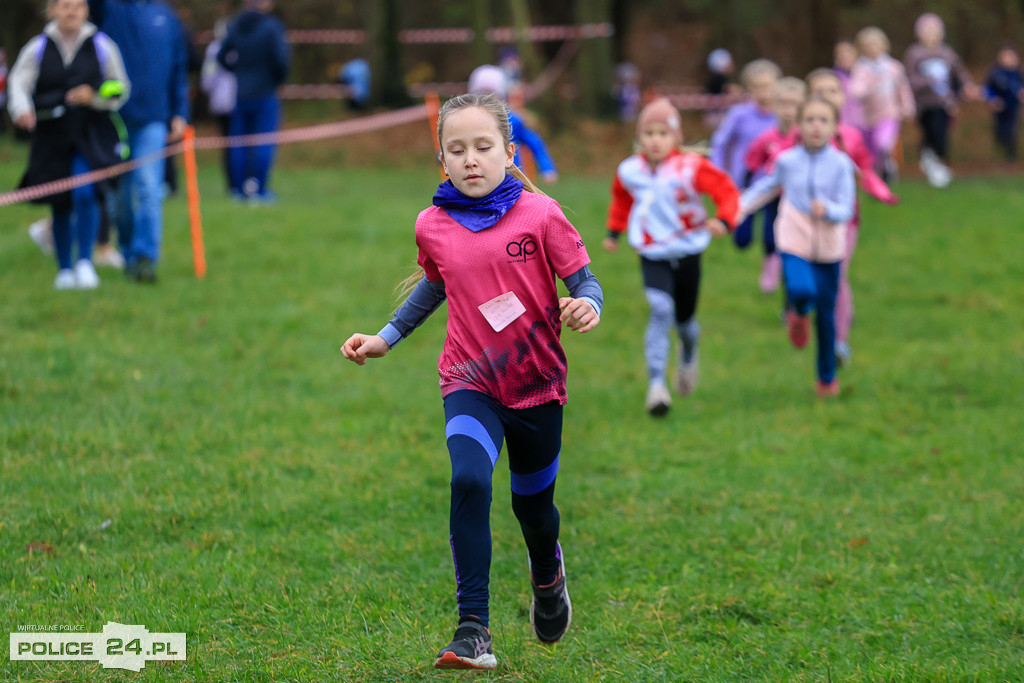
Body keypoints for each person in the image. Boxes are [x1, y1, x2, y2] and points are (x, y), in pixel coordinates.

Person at [340, 92, 602, 670]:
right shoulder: (431, 224)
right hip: (469, 378)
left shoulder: (542, 214)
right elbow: (436, 286)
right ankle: (473, 630)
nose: (470, 160)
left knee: (534, 512)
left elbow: (586, 281)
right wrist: (386, 336)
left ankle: (546, 574)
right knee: (469, 480)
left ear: (510, 153)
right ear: (443, 160)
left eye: (483, 147)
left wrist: (586, 304)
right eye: (456, 150)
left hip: (537, 385)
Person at [604, 98, 739, 416]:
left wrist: (724, 219)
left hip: (689, 250)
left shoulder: (690, 167)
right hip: (652, 253)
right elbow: (621, 199)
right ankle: (656, 386)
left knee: (685, 322)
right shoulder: (630, 170)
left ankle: (689, 354)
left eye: (662, 133)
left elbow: (726, 191)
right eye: (648, 132)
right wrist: (614, 231)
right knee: (660, 309)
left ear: (675, 137)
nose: (654, 139)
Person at [7, 0, 130, 290]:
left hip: (91, 134)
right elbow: (18, 83)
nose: (71, 11)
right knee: (60, 201)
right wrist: (21, 109)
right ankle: (64, 269)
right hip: (51, 136)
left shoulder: (102, 45)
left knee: (86, 193)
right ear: (52, 11)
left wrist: (95, 98)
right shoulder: (37, 47)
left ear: (86, 10)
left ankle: (85, 262)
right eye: (64, 5)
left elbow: (121, 86)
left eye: (77, 5)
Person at [740, 97, 856, 397]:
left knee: (827, 317)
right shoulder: (787, 160)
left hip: (830, 247)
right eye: (810, 120)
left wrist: (829, 210)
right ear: (799, 126)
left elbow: (847, 206)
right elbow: (765, 188)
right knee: (803, 289)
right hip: (793, 239)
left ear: (834, 127)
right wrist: (737, 210)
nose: (816, 126)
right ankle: (800, 313)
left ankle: (826, 378)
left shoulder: (842, 164)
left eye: (823, 120)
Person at [89, 0, 190, 283]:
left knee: (148, 186)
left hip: (153, 119)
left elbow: (178, 67)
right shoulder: (108, 8)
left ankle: (146, 257)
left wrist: (180, 112)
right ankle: (130, 250)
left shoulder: (165, 15)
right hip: (115, 118)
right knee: (120, 197)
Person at [218, 0, 290, 203]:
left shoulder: (236, 25)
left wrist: (239, 72)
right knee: (263, 143)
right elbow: (281, 61)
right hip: (265, 92)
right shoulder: (272, 26)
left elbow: (221, 57)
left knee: (239, 143)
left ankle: (239, 189)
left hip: (242, 93)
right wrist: (275, 80)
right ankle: (258, 189)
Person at [710, 59, 780, 260]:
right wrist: (719, 171)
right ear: (749, 89)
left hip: (775, 183)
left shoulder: (781, 115)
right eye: (757, 87)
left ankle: (771, 266)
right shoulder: (739, 115)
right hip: (745, 183)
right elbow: (720, 143)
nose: (763, 92)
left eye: (767, 86)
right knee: (742, 239)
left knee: (772, 239)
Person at [744, 76, 807, 293]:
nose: (788, 110)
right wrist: (745, 187)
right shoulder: (766, 137)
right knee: (771, 236)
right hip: (772, 195)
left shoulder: (806, 137)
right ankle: (770, 266)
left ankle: (791, 286)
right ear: (773, 105)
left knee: (794, 244)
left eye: (794, 104)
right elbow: (752, 163)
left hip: (799, 198)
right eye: (783, 103)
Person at [903, 12, 979, 188]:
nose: (931, 34)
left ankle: (936, 163)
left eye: (934, 31)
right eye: (927, 31)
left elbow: (959, 73)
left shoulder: (947, 53)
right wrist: (928, 80)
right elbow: (909, 80)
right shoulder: (915, 54)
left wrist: (968, 86)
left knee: (941, 135)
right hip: (924, 104)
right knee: (929, 133)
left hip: (945, 103)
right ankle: (929, 159)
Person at [468, 64, 558, 183]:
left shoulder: (511, 121)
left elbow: (535, 143)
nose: (485, 100)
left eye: (490, 94)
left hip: (512, 179)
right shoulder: (465, 122)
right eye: (481, 94)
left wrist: (547, 168)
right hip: (478, 178)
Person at [849, 27, 915, 180]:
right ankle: (882, 173)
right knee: (872, 150)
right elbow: (855, 92)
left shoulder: (893, 67)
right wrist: (870, 86)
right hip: (868, 117)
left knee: (883, 144)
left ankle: (888, 165)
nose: (872, 49)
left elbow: (903, 89)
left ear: (884, 45)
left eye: (875, 44)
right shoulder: (861, 68)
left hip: (890, 113)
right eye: (867, 46)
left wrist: (908, 107)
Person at [201, 18, 237, 192]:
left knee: (229, 145)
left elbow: (206, 81)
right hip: (235, 102)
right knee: (236, 144)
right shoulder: (223, 48)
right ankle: (237, 183)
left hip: (222, 103)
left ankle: (233, 183)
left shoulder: (213, 49)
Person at [984, 44, 1024, 162]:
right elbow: (987, 89)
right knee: (1000, 132)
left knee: (1012, 131)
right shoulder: (995, 72)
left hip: (1014, 107)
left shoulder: (1018, 73)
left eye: (1011, 56)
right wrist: (993, 99)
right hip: (1000, 108)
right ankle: (1002, 152)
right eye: (1005, 56)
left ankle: (1011, 155)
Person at [833, 39, 865, 134]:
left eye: (849, 53)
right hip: (843, 122)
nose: (845, 56)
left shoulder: (865, 74)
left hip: (865, 123)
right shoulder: (833, 77)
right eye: (841, 54)